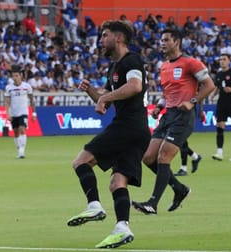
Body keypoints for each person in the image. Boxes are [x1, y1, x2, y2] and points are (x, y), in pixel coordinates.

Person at [66, 20, 150, 249]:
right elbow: (105, 104)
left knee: (81, 161)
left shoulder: (131, 60)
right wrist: (93, 93)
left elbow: (134, 86)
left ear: (119, 38)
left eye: (104, 35)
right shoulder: (114, 68)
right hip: (138, 130)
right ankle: (122, 228)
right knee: (117, 182)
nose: (100, 40)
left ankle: (94, 205)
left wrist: (104, 97)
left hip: (128, 125)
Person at [132, 28, 215, 215]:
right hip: (168, 115)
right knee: (148, 158)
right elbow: (167, 93)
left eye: (166, 40)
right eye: (161, 40)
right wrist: (159, 106)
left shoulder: (191, 63)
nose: (162, 43)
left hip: (183, 117)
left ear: (177, 41)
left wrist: (192, 102)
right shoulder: (164, 66)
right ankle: (179, 189)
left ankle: (153, 203)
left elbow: (210, 85)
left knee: (163, 157)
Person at [150, 100, 203, 177]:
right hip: (174, 115)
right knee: (178, 142)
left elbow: (201, 94)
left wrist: (201, 110)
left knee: (180, 142)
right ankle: (195, 157)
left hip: (186, 116)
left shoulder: (191, 89)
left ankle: (184, 168)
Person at [4, 64, 36, 159]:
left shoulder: (27, 86)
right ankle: (19, 149)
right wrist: (8, 114)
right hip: (14, 113)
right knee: (16, 132)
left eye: (17, 75)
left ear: (20, 76)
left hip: (23, 112)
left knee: (22, 129)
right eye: (13, 76)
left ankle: (22, 152)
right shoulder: (9, 88)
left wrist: (34, 113)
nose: (15, 78)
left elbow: (32, 100)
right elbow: (6, 102)